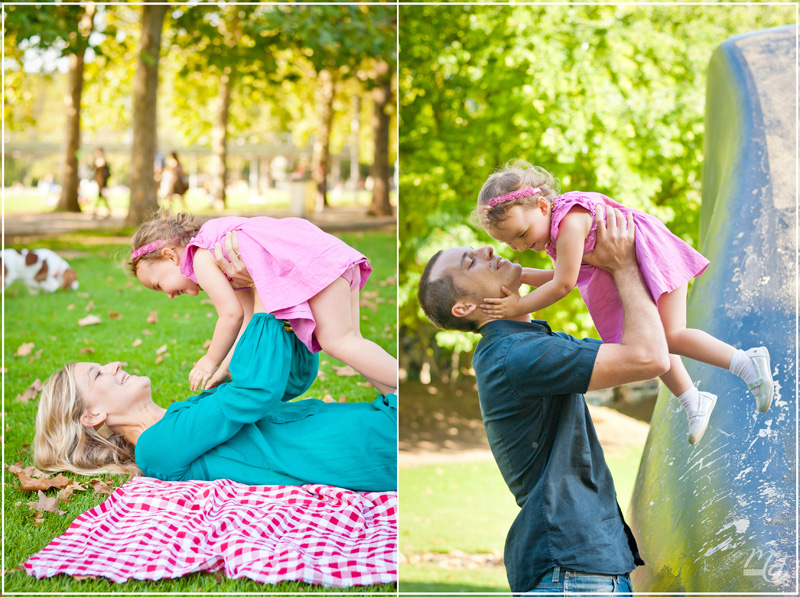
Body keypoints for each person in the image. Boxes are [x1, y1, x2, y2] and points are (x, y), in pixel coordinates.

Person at [417, 207, 672, 593]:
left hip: (582, 568)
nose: (487, 250)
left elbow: (638, 348)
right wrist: (623, 266)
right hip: (573, 572)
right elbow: (649, 357)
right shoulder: (516, 356)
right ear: (464, 308)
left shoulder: (528, 344)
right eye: (471, 262)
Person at [473, 160, 774, 444]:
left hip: (651, 257)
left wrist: (518, 307)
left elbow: (563, 283)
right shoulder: (555, 232)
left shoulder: (571, 221)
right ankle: (692, 400)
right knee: (653, 341)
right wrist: (520, 274)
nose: (520, 246)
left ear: (541, 206)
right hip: (632, 269)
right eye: (510, 243)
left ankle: (748, 363)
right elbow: (565, 274)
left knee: (670, 335)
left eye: (522, 234)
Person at [34, 310, 397, 492]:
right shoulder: (156, 448)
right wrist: (261, 303)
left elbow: (287, 381)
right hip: (374, 444)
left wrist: (286, 319)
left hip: (379, 418)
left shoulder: (181, 418)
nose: (114, 365)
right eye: (98, 374)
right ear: (92, 415)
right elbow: (255, 392)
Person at [127, 212, 397, 396]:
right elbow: (248, 321)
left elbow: (230, 316)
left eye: (158, 285)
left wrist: (209, 360)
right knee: (353, 341)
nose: (168, 295)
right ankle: (392, 399)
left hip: (316, 263)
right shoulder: (224, 256)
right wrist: (224, 370)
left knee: (339, 341)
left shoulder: (200, 255)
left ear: (170, 256)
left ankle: (401, 389)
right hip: (331, 255)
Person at [92, 148, 111, 219]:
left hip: (103, 183)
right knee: (99, 197)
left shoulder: (104, 163)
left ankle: (96, 212)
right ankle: (95, 212)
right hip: (98, 182)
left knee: (103, 197)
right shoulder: (96, 162)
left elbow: (108, 173)